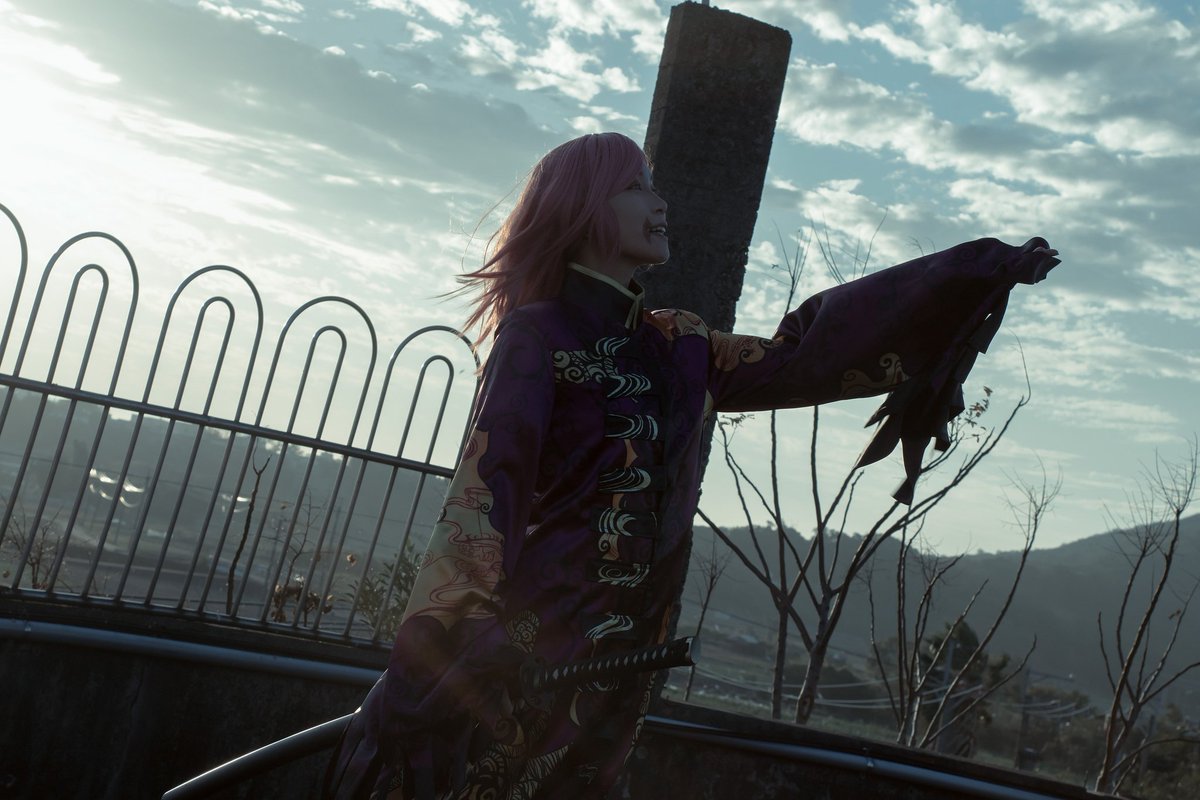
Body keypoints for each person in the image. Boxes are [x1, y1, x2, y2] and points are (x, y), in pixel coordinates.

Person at [324, 132, 1060, 800]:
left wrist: (971, 274)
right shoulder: (538, 336)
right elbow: (486, 497)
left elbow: (809, 354)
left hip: (622, 669)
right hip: (522, 658)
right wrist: (460, 646)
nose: (660, 202)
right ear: (584, 209)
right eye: (636, 187)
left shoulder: (683, 347)